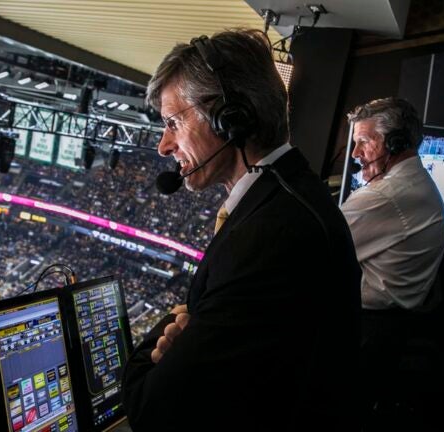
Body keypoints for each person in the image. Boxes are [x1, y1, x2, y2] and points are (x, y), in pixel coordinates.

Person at [122, 29, 361, 431]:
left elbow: (150, 407)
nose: (164, 145)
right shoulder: (289, 195)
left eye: (173, 123)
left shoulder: (271, 235)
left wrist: (173, 324)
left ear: (230, 117)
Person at [341, 97, 444, 310]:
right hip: (396, 318)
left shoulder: (384, 196)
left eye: (363, 141)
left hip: (364, 320)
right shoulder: (419, 181)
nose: (355, 153)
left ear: (396, 144)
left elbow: (314, 249)